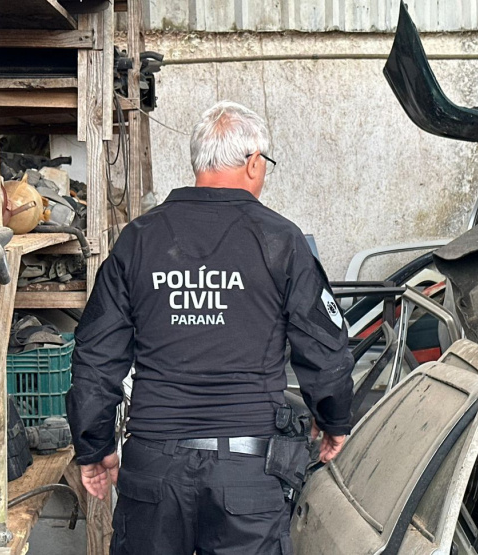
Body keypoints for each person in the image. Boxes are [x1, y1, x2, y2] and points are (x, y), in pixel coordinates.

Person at [66, 101, 355, 555]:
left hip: (153, 470)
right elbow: (324, 348)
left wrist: (94, 445)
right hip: (247, 476)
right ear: (253, 162)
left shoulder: (139, 240)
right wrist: (335, 418)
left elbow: (96, 357)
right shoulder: (281, 241)